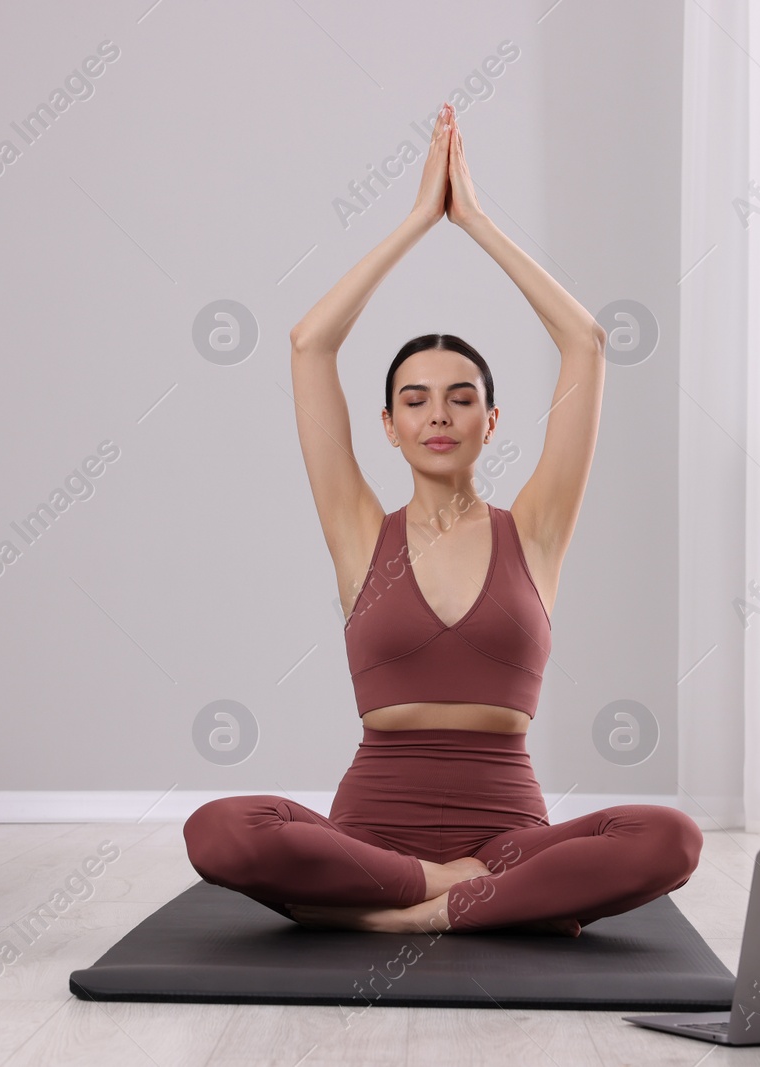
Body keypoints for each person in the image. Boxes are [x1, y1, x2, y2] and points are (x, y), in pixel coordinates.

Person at [183, 101, 702, 936]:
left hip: (509, 842)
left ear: (491, 421)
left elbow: (587, 344)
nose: (439, 414)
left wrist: (479, 222)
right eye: (415, 399)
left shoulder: (533, 529)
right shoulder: (361, 531)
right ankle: (436, 890)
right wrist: (419, 220)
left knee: (669, 836)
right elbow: (310, 343)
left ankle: (412, 916)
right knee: (220, 828)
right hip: (373, 835)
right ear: (386, 425)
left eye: (462, 398)